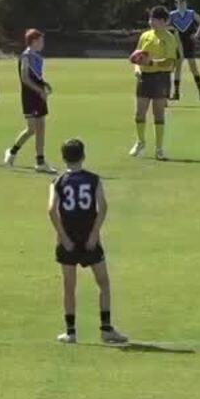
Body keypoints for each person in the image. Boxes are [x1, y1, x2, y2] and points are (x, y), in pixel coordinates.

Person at [48, 139, 128, 345]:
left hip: (68, 238)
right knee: (103, 283)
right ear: (83, 156)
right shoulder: (94, 180)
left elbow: (51, 210)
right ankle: (106, 329)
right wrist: (94, 234)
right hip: (89, 237)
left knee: (69, 286)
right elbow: (103, 207)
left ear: (63, 157)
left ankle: (71, 332)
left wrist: (63, 237)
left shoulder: (57, 182)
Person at [131, 6, 180, 161]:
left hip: (161, 78)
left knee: (158, 113)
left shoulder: (169, 38)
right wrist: (137, 69)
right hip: (144, 77)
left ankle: (159, 148)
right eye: (150, 19)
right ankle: (140, 142)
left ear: (164, 22)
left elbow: (169, 62)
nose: (151, 22)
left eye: (155, 20)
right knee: (139, 112)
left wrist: (151, 63)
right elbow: (136, 56)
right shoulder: (145, 36)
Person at [5, 29, 57, 173]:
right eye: (41, 41)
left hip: (39, 96)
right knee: (31, 129)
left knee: (41, 128)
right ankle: (12, 151)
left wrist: (44, 85)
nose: (43, 44)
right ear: (33, 42)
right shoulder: (26, 56)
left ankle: (40, 161)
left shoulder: (38, 57)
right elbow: (25, 78)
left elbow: (37, 77)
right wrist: (39, 90)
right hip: (30, 96)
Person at [169, 0, 200, 102]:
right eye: (179, 2)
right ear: (176, 4)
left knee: (193, 66)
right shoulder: (172, 15)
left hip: (189, 42)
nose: (181, 4)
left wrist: (197, 35)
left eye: (183, 2)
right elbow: (166, 26)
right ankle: (176, 93)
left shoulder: (191, 13)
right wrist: (172, 35)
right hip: (178, 42)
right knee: (178, 67)